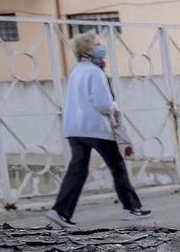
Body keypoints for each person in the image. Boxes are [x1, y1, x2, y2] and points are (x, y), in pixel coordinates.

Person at [48, 33, 151, 227]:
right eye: (96, 44)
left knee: (77, 170)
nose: (100, 47)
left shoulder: (76, 71)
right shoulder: (95, 72)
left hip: (75, 129)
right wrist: (114, 106)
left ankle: (60, 211)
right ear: (87, 50)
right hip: (96, 128)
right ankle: (131, 208)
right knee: (118, 166)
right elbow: (103, 103)